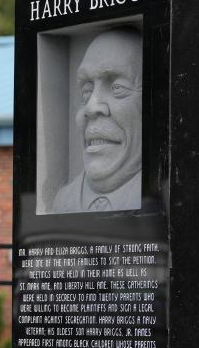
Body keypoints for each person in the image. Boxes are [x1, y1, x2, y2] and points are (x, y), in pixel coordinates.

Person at [52, 27, 143, 213]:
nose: (91, 108)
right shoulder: (62, 202)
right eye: (86, 91)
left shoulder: (162, 200)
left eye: (117, 87)